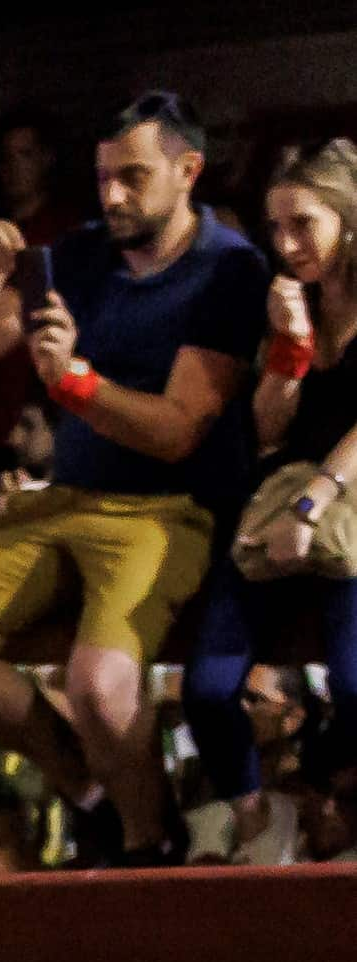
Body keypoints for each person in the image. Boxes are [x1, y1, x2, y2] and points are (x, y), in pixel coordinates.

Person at [0, 91, 264, 864]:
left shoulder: (227, 268)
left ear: (187, 170)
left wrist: (76, 386)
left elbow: (177, 432)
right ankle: (84, 783)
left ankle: (145, 840)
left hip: (168, 506)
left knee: (100, 685)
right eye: (103, 178)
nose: (113, 195)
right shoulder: (79, 252)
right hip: (63, 498)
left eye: (133, 176)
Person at [180, 139, 357, 839]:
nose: (285, 244)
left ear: (348, 216)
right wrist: (290, 348)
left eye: (302, 224)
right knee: (206, 688)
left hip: (342, 504)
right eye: (275, 227)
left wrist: (315, 502)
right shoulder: (285, 299)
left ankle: (326, 795)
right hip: (281, 496)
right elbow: (269, 429)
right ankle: (256, 819)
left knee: (354, 684)